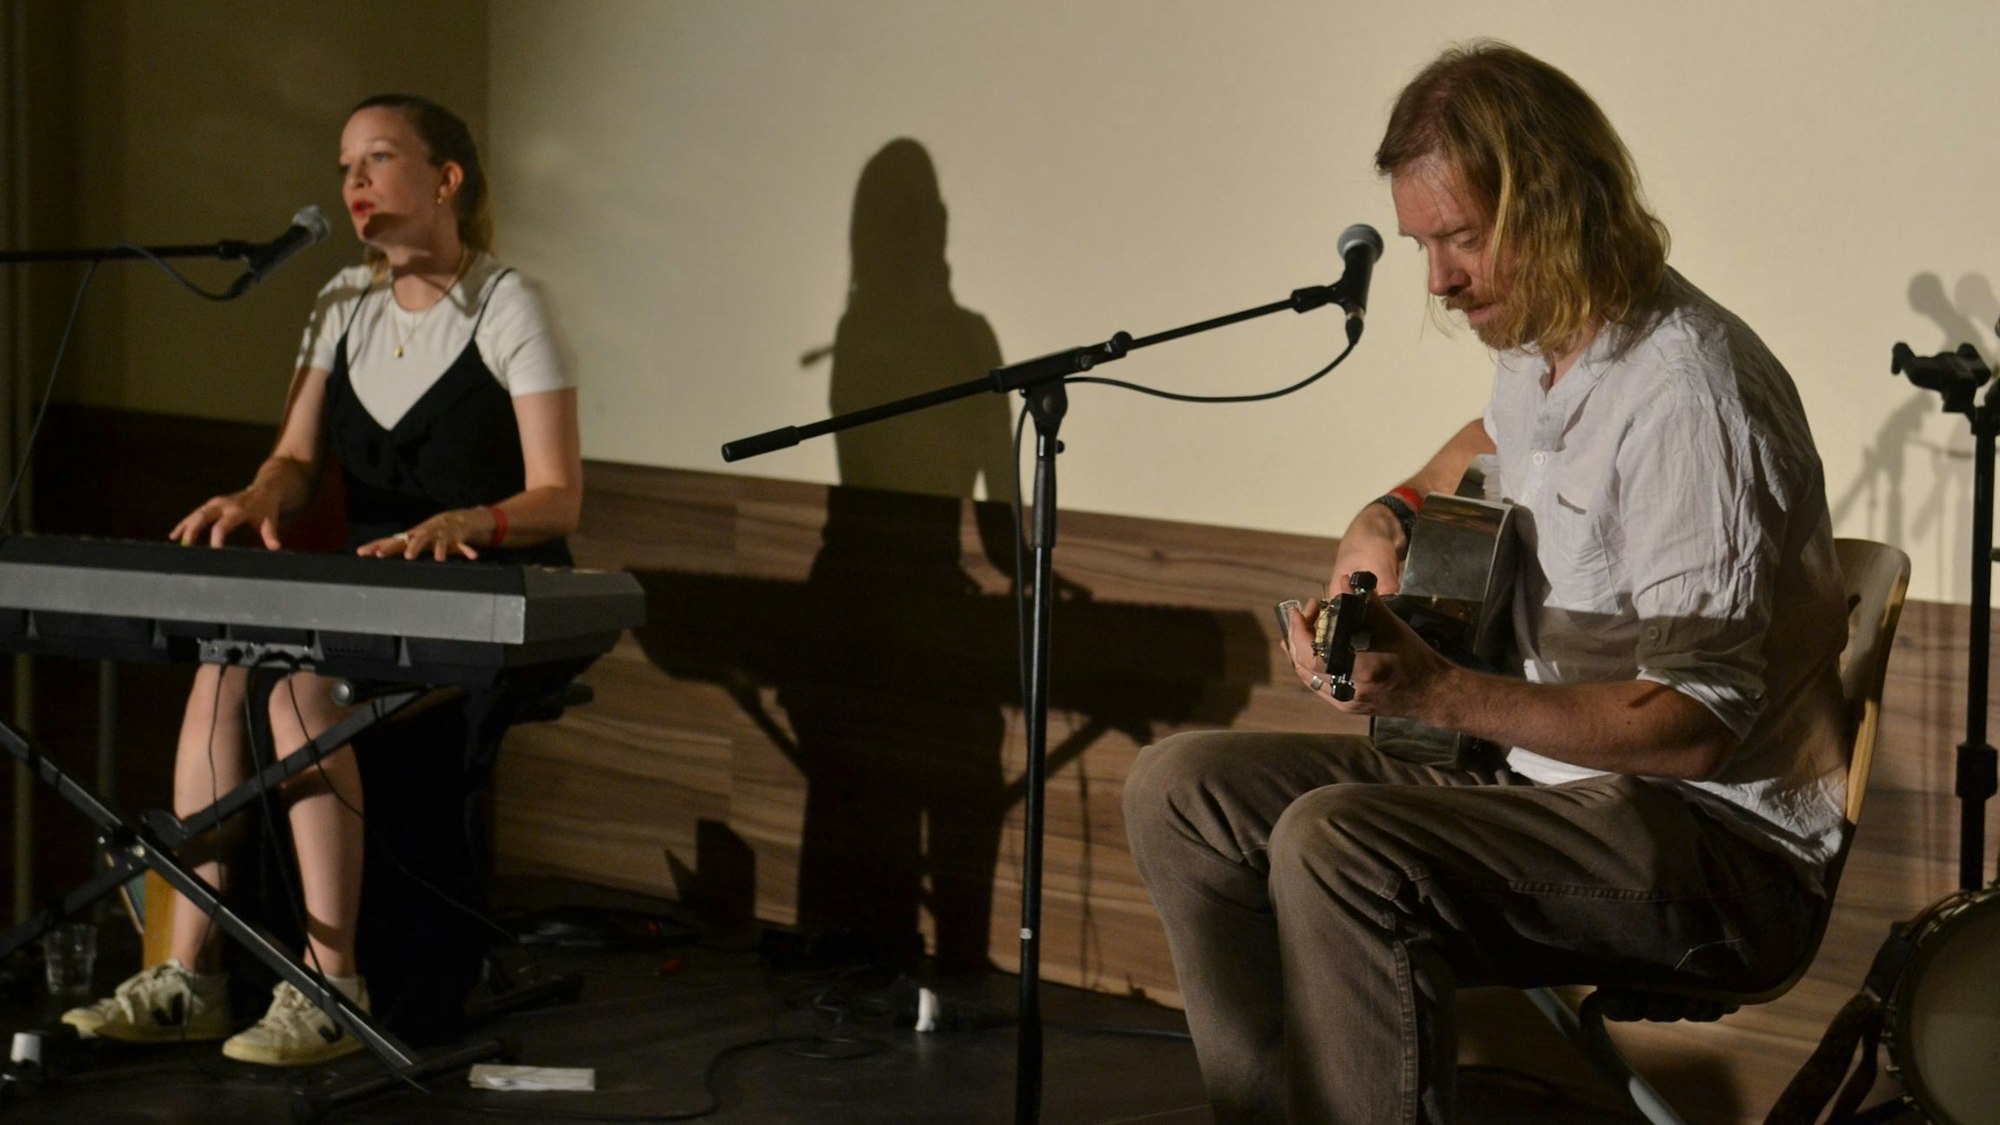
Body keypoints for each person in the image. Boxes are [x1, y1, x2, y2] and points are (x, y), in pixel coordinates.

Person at [1123, 42, 1848, 1123]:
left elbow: (1694, 724)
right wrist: (1384, 516)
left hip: (1709, 845)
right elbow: (1488, 445)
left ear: (1558, 202)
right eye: (1422, 243)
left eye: (1459, 238)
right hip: (1541, 787)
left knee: (1337, 844)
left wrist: (1436, 693)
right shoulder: (1542, 350)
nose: (1437, 280)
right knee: (1178, 790)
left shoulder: (1687, 397)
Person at [60, 93, 582, 1066]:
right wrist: (262, 491)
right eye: (345, 165)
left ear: (445, 180)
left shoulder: (509, 302)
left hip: (485, 589)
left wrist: (475, 517)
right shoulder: (340, 301)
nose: (353, 184)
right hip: (370, 587)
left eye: (378, 160)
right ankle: (191, 976)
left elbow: (560, 497)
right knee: (223, 668)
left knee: (299, 691)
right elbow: (294, 460)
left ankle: (327, 988)